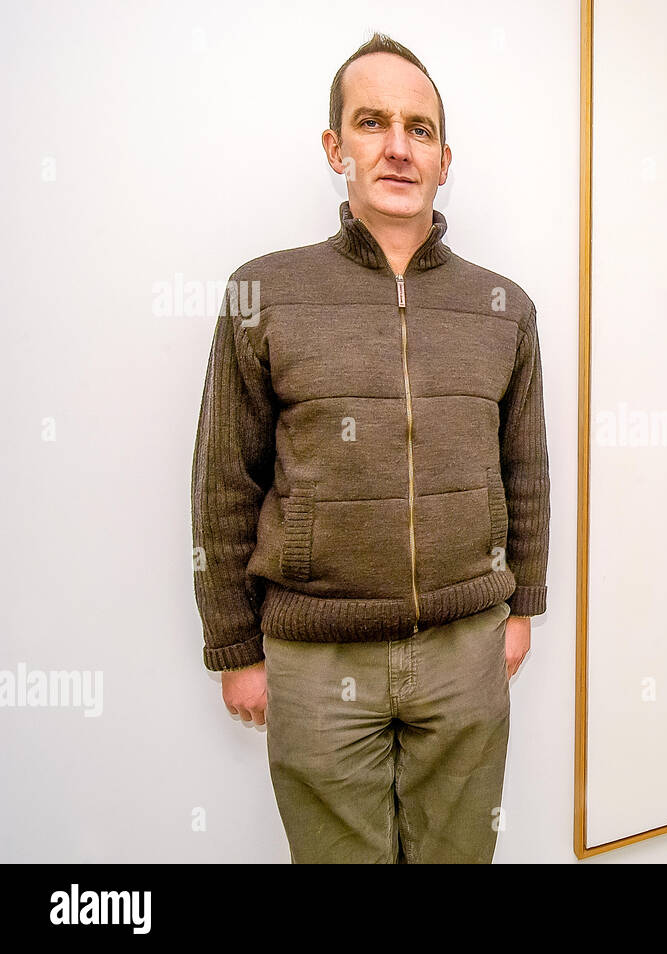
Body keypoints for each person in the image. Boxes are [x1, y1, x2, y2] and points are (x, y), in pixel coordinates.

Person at [189, 32, 550, 863]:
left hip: (468, 651)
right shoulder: (264, 293)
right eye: (372, 122)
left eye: (419, 129)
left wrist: (522, 605)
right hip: (316, 661)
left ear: (444, 157)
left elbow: (525, 470)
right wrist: (234, 650)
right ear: (335, 147)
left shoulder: (505, 307)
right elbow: (223, 483)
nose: (397, 147)